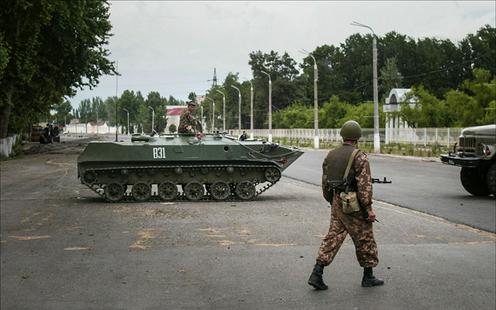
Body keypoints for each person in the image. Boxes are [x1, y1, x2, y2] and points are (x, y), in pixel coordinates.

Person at [308, 120, 383, 290]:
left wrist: (332, 200)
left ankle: (317, 272)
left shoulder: (331, 155)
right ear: (357, 137)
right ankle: (368, 276)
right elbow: (364, 187)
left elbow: (325, 183)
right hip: (353, 204)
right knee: (365, 237)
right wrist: (369, 209)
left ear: (343, 135)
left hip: (336, 201)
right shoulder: (359, 156)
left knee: (333, 236)